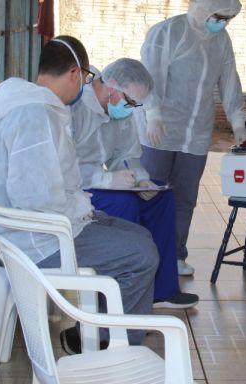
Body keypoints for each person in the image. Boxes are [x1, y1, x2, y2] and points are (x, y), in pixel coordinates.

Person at [0, 35, 158, 352]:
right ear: (75, 73)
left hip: (53, 225)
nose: (84, 86)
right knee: (141, 255)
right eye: (87, 78)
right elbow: (34, 199)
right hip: (40, 241)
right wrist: (78, 211)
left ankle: (107, 334)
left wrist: (81, 208)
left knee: (140, 237)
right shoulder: (33, 115)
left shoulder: (41, 109)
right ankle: (114, 347)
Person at [136, 0, 246, 276]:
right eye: (218, 16)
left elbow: (228, 81)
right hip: (159, 130)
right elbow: (149, 76)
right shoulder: (168, 33)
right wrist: (152, 113)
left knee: (185, 197)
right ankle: (145, 257)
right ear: (202, 9)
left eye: (226, 19)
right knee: (152, 192)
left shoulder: (221, 41)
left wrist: (238, 122)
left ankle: (175, 255)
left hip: (195, 133)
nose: (221, 23)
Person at [71, 58, 199, 309]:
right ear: (113, 87)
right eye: (130, 102)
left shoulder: (118, 111)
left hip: (101, 184)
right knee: (124, 204)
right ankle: (122, 299)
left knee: (162, 198)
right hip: (76, 189)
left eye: (135, 105)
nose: (130, 109)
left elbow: (128, 155)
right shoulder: (75, 108)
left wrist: (141, 179)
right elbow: (63, 168)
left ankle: (161, 291)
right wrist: (106, 179)